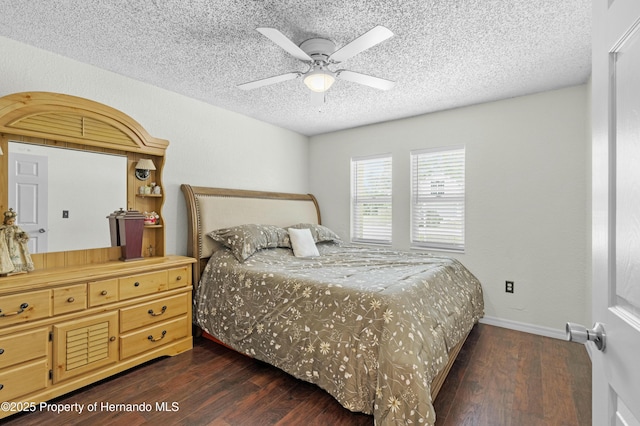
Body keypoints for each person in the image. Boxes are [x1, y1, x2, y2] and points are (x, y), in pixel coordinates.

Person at [0, 208, 35, 275]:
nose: (11, 223)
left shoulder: (15, 228)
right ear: (6, 221)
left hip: (15, 243)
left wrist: (22, 235)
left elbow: (20, 233)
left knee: (17, 255)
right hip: (6, 244)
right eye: (10, 221)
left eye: (13, 221)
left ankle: (17, 268)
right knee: (7, 255)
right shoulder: (2, 228)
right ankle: (8, 268)